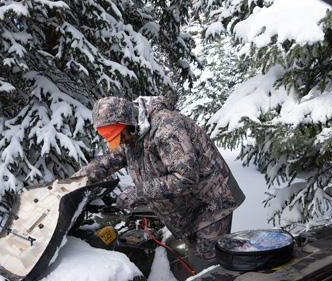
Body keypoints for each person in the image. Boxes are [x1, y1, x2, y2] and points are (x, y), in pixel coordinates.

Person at [76, 94, 245, 263]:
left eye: (120, 136)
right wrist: (72, 183)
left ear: (128, 122)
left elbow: (185, 178)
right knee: (200, 259)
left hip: (211, 203)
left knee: (213, 265)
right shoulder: (133, 134)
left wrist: (139, 192)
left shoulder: (166, 129)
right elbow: (107, 162)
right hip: (188, 208)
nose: (121, 142)